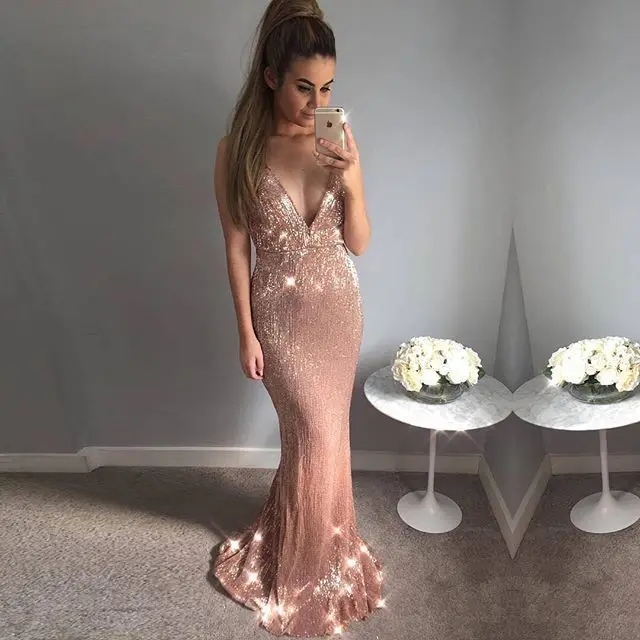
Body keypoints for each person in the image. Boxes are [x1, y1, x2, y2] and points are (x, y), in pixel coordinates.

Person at [210, 0, 384, 635]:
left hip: (338, 309)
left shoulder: (338, 143)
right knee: (312, 431)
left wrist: (353, 178)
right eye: (304, 87)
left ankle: (322, 554)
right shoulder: (237, 152)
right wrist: (246, 332)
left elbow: (358, 242)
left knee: (328, 434)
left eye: (328, 87)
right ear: (270, 78)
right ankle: (306, 568)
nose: (317, 102)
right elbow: (236, 248)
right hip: (280, 319)